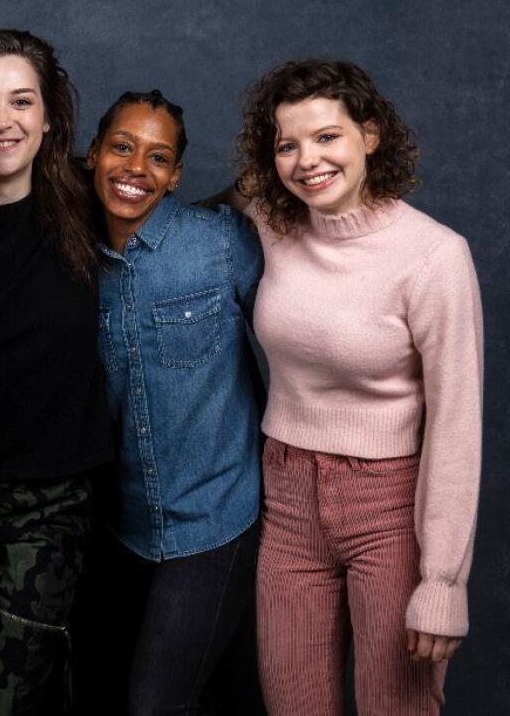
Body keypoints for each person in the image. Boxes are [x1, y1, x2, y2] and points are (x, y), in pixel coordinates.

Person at [233, 59, 482, 714]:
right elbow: (136, 190)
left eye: (327, 137)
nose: (306, 160)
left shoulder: (433, 256)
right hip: (286, 499)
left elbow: (457, 422)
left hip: (392, 507)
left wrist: (443, 580)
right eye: (287, 144)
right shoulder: (272, 218)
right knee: (291, 703)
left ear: (369, 135)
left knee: (394, 706)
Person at [0, 29, 114, 714]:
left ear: (48, 115)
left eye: (20, 101)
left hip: (47, 504)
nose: (1, 122)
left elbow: (212, 210)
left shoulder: (94, 205)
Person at [88, 90, 265, 714]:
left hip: (216, 519)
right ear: (92, 155)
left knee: (155, 704)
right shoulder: (75, 258)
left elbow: (302, 322)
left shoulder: (220, 246)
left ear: (176, 177)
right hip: (124, 530)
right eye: (122, 147)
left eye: (158, 157)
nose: (137, 167)